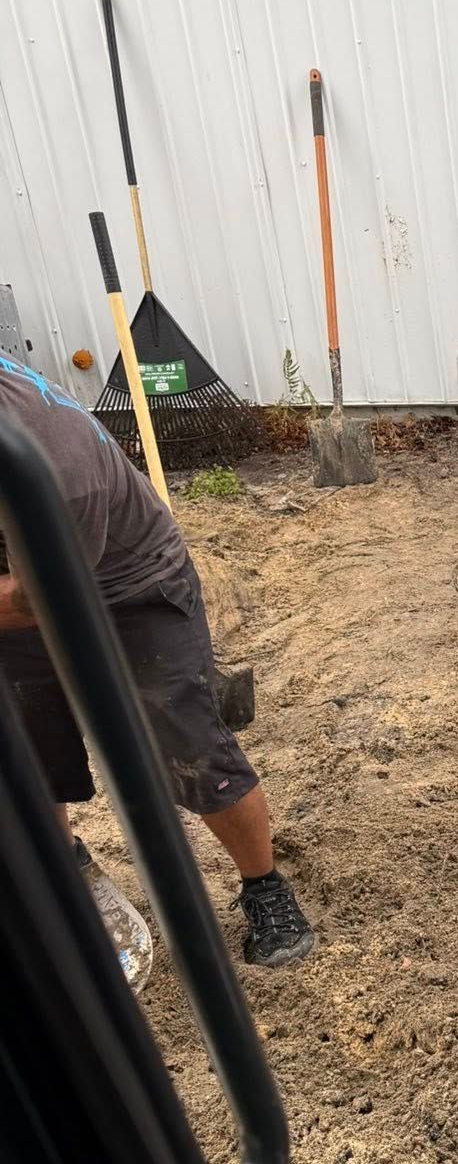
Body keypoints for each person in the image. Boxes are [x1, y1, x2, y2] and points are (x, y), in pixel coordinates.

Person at [0, 351, 314, 967]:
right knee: (27, 741)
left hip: (127, 588)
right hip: (18, 579)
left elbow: (43, 599)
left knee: (190, 745)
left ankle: (265, 886)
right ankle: (71, 870)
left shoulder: (55, 464)